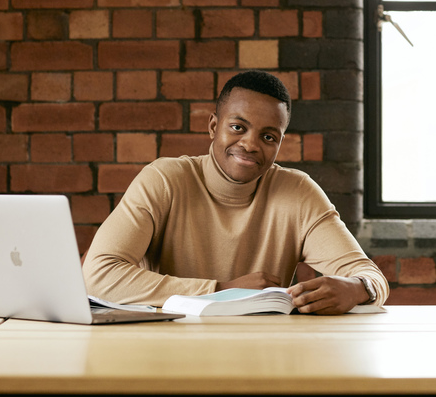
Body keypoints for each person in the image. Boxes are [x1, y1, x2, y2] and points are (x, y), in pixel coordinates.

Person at [82, 70, 388, 314]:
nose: (251, 144)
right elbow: (96, 277)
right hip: (170, 351)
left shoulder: (298, 193)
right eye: (238, 127)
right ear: (214, 126)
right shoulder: (164, 180)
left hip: (263, 357)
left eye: (268, 136)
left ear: (279, 143)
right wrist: (222, 291)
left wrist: (357, 288)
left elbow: (370, 277)